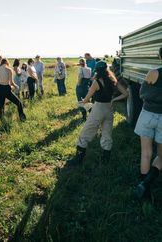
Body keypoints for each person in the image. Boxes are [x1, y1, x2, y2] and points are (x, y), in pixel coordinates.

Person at [68, 60, 128, 165]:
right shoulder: (113, 80)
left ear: (97, 71)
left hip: (98, 109)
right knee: (107, 134)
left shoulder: (97, 82)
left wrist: (82, 101)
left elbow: (87, 99)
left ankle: (78, 159)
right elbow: (126, 93)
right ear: (107, 69)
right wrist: (113, 100)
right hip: (109, 109)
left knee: (85, 133)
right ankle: (105, 161)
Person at [134, 46, 162, 199]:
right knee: (161, 156)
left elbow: (142, 93)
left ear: (159, 57)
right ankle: (147, 183)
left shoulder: (153, 72)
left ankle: (143, 187)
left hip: (147, 114)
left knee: (146, 153)